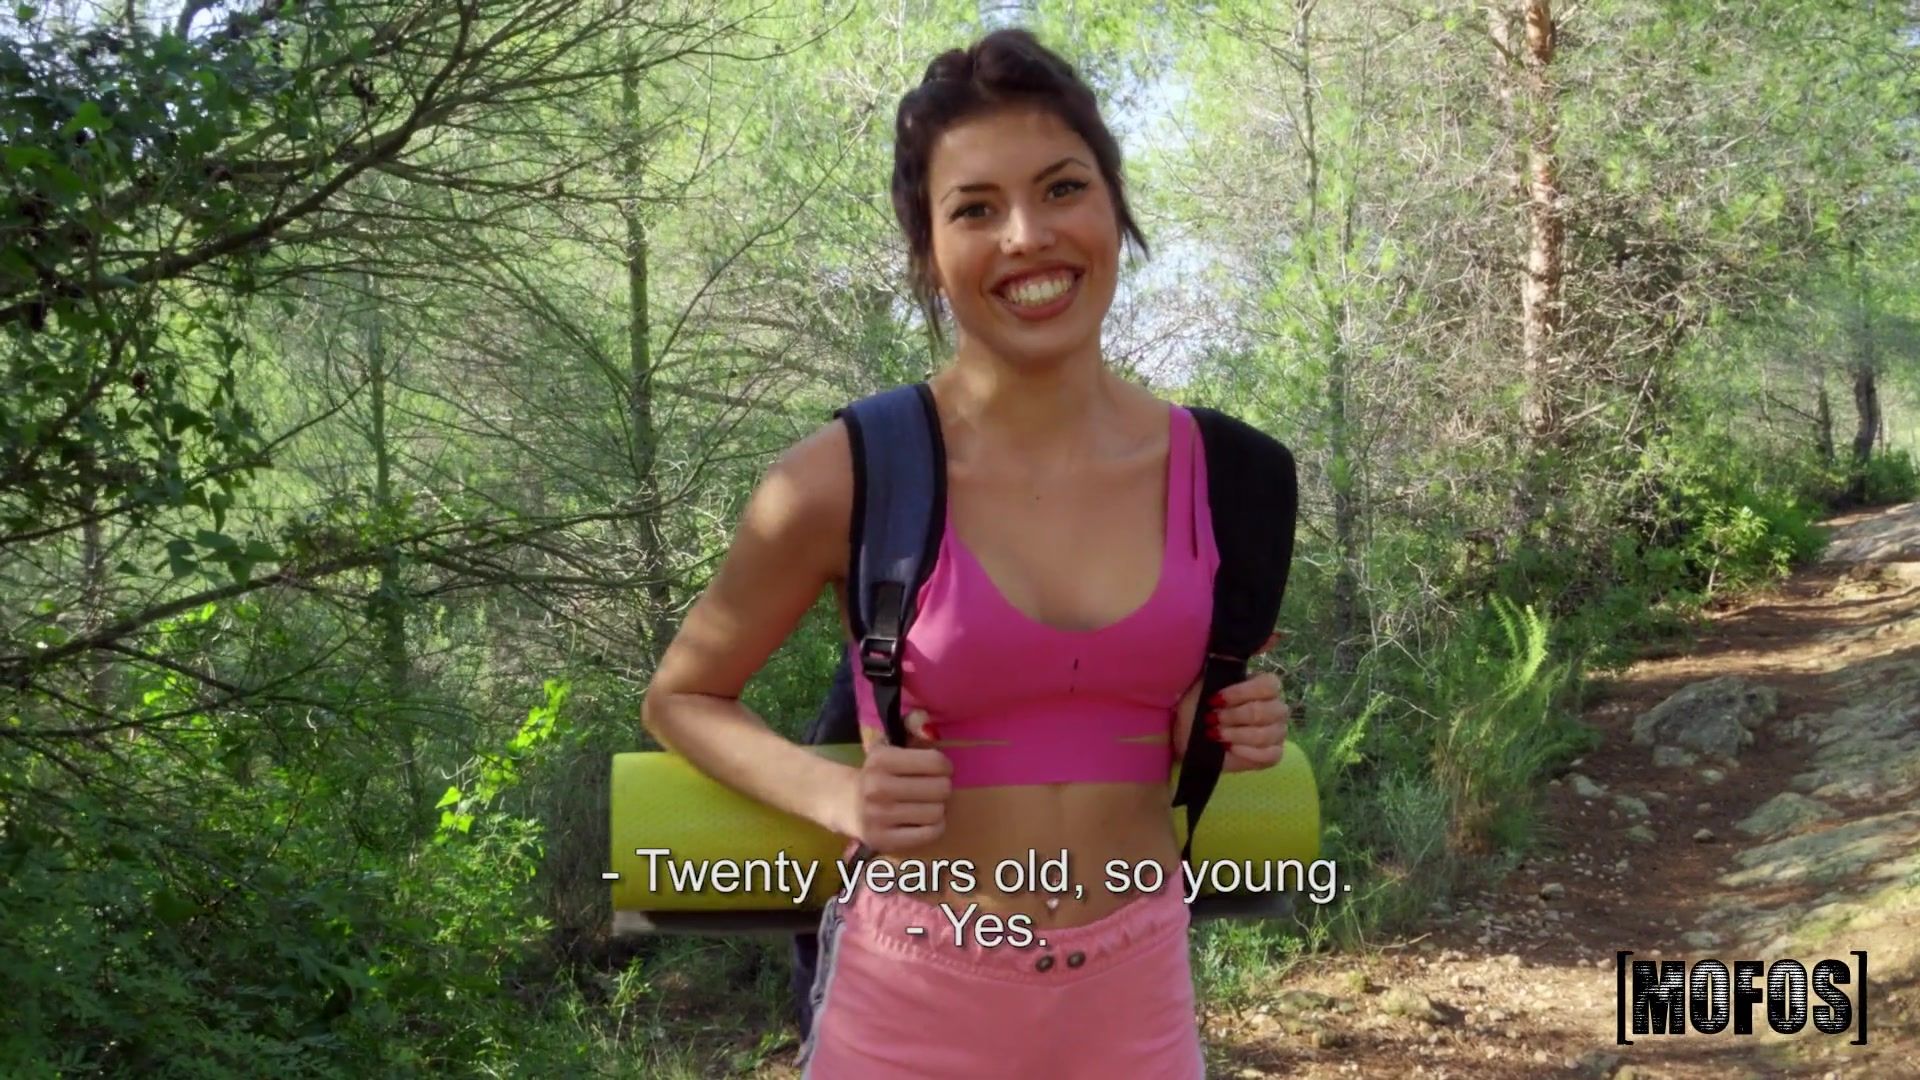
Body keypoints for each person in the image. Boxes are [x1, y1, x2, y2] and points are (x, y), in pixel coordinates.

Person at [640, 27, 1293, 1079]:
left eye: (1063, 188)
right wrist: (836, 796)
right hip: (911, 1003)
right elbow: (682, 697)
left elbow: (1150, 718)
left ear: (1114, 205)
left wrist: (1217, 722)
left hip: (1137, 1001)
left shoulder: (1233, 476)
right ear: (928, 252)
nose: (1027, 237)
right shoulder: (847, 474)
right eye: (975, 209)